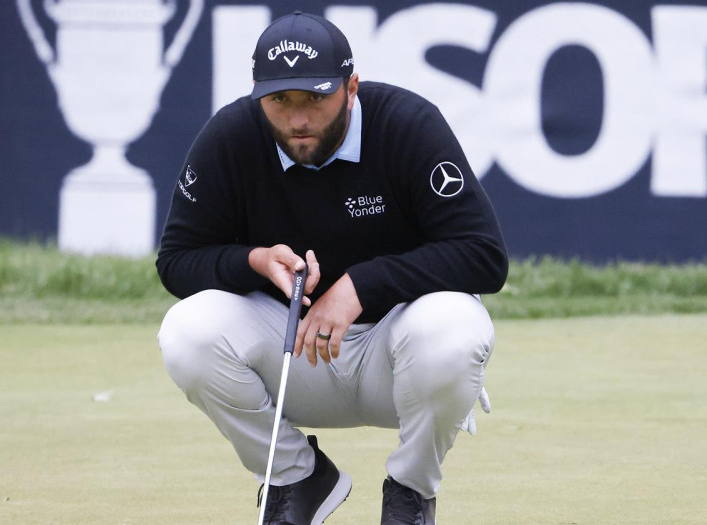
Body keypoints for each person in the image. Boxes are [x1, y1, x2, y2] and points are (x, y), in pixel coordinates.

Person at [155, 11, 507, 525]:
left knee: (454, 327)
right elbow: (176, 261)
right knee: (188, 332)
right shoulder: (231, 137)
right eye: (280, 101)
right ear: (259, 96)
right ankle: (296, 479)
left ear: (352, 87)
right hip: (294, 358)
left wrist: (361, 285)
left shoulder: (407, 124)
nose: (298, 120)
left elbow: (484, 255)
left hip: (400, 361)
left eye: (315, 99)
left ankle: (410, 493)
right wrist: (252, 262)